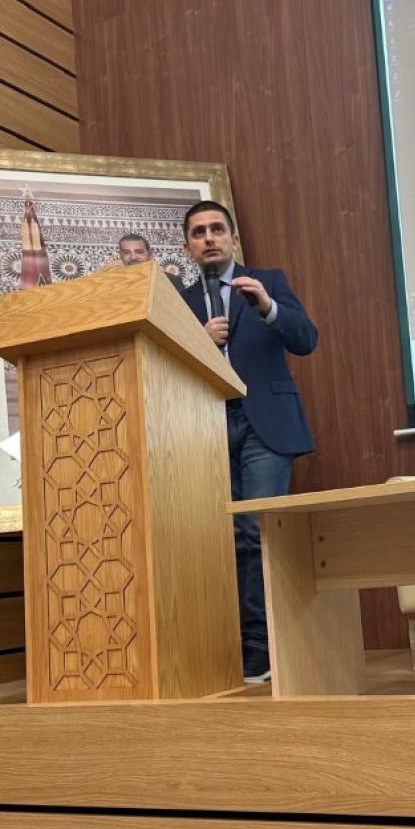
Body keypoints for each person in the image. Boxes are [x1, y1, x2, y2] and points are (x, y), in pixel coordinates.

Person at [179, 200, 318, 683]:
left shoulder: (268, 282)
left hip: (265, 424)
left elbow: (306, 340)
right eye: (199, 233)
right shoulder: (178, 302)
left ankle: (266, 643)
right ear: (187, 247)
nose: (209, 238)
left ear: (234, 239)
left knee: (258, 530)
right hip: (206, 426)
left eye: (217, 229)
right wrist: (197, 341)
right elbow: (164, 363)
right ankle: (243, 641)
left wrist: (268, 308)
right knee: (225, 537)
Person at [118, 232, 183, 289]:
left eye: (139, 252)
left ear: (150, 254)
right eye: (126, 252)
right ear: (121, 255)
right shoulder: (115, 282)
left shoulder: (171, 281)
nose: (133, 257)